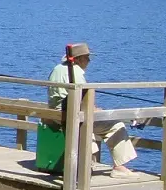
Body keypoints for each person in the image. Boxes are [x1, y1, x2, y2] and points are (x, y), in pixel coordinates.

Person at [46, 42, 137, 172]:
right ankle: (119, 167)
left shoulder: (57, 69)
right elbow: (82, 100)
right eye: (87, 57)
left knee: (91, 122)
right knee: (116, 125)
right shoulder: (76, 72)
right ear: (78, 59)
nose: (89, 61)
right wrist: (96, 110)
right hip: (72, 116)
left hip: (56, 115)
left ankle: (88, 163)